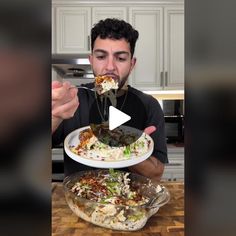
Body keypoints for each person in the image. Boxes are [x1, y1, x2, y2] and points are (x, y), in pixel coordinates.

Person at [52, 18, 168, 181]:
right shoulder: (72, 99)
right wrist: (53, 116)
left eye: (120, 58)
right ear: (91, 60)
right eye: (101, 57)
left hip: (129, 202)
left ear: (132, 64)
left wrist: (126, 147)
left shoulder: (148, 105)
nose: (110, 67)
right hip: (79, 200)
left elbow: (156, 173)